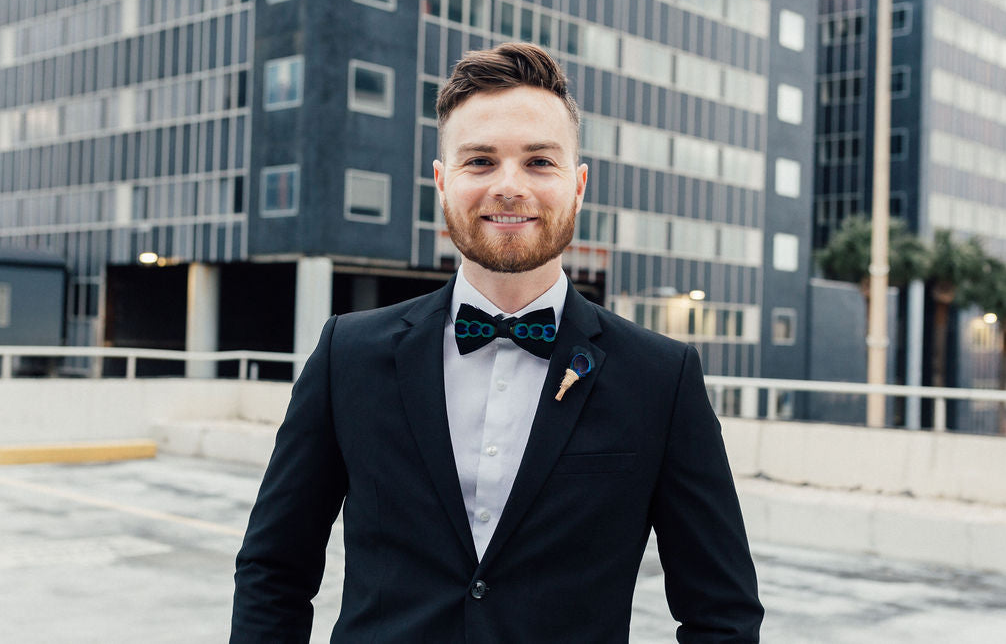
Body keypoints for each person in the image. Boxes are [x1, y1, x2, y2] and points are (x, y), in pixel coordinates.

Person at [231, 42, 763, 642]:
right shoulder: (346, 354)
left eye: (539, 161)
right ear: (441, 180)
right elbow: (274, 570)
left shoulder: (661, 378)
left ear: (579, 184)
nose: (509, 187)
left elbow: (722, 612)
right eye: (479, 161)